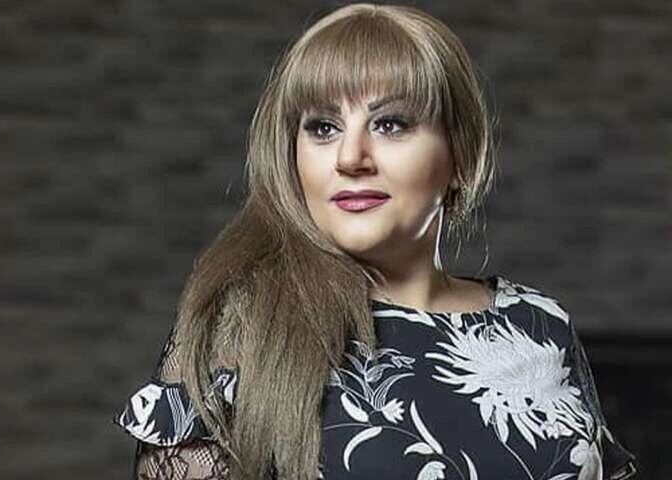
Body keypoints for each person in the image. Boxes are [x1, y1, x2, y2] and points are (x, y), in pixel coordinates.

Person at [113, 3, 638, 479]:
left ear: (459, 155)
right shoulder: (244, 324)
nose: (350, 157)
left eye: (390, 124)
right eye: (323, 128)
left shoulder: (541, 321)